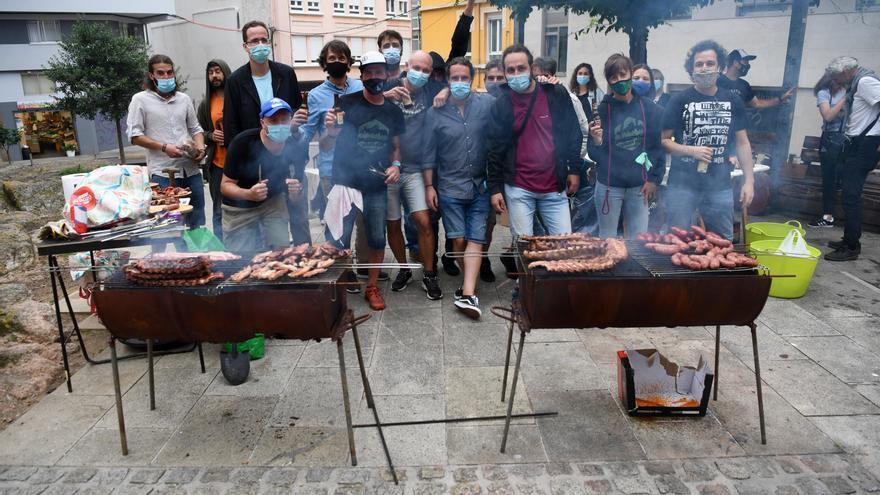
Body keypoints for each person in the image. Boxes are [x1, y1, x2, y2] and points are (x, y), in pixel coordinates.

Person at [322, 51, 404, 310]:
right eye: (368, 72)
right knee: (337, 238)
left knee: (377, 238)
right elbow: (326, 144)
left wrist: (396, 166)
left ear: (387, 74)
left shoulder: (393, 111)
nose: (374, 77)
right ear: (362, 75)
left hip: (376, 185)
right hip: (345, 181)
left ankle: (371, 286)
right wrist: (330, 131)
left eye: (379, 72)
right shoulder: (345, 103)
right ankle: (339, 285)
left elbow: (397, 147)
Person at [223, 20, 309, 245]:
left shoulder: (285, 73)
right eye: (254, 41)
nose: (260, 44)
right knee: (257, 230)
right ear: (245, 46)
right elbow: (232, 124)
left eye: (264, 40)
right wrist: (242, 163)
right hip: (253, 160)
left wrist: (293, 128)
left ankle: (304, 262)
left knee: (298, 217)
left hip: (286, 154)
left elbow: (294, 112)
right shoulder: (235, 80)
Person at [661, 40, 755, 240]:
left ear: (719, 67)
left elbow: (742, 143)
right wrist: (691, 150)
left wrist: (749, 181)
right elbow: (664, 141)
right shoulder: (678, 100)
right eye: (699, 64)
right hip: (682, 186)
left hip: (719, 186)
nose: (704, 68)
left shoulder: (732, 100)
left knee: (721, 242)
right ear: (691, 69)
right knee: (678, 241)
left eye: (710, 64)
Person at [487, 44, 582, 238]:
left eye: (521, 68)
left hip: (554, 187)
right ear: (505, 73)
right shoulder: (502, 104)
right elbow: (495, 149)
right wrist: (495, 188)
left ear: (531, 68)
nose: (516, 74)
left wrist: (574, 170)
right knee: (525, 249)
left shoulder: (555, 94)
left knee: (564, 245)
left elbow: (573, 133)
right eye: (510, 70)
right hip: (518, 188)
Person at [424, 57, 495, 318]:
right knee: (458, 238)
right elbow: (428, 153)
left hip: (480, 186)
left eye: (465, 78)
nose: (460, 83)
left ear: (472, 79)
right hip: (450, 186)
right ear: (447, 80)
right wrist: (430, 186)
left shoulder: (486, 103)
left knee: (476, 238)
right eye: (455, 78)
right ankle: (469, 288)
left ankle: (467, 293)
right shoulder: (436, 111)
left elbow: (512, 104)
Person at [382, 50, 442, 299]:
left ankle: (429, 273)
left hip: (415, 169)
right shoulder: (388, 87)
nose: (420, 73)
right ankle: (404, 268)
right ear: (407, 66)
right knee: (393, 224)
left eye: (426, 70)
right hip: (387, 170)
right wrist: (383, 95)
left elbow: (453, 82)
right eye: (416, 68)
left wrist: (446, 91)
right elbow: (356, 103)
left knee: (423, 221)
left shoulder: (430, 93)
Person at [588, 55, 664, 239]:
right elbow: (595, 155)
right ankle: (609, 268)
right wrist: (596, 140)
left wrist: (653, 179)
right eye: (613, 77)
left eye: (623, 74)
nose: (619, 80)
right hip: (608, 186)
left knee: (639, 239)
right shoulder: (602, 110)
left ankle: (636, 268)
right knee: (607, 238)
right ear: (609, 81)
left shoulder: (650, 109)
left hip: (640, 185)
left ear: (630, 73)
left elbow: (657, 147)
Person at [127, 54, 206, 229]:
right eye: (161, 73)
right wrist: (164, 147)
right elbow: (134, 135)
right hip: (163, 174)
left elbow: (196, 129)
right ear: (151, 76)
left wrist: (200, 149)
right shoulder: (140, 100)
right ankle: (173, 257)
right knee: (168, 226)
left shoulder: (183, 99)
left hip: (191, 171)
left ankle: (198, 256)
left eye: (169, 73)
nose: (166, 77)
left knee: (197, 222)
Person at [220, 98, 309, 251]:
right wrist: (248, 194)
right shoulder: (242, 143)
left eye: (284, 120)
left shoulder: (294, 147)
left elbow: (296, 194)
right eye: (273, 120)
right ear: (262, 123)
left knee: (282, 252)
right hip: (240, 205)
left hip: (273, 202)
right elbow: (225, 185)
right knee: (240, 258)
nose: (280, 125)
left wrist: (295, 193)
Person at [823, 56, 880, 262]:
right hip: (856, 143)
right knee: (849, 194)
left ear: (847, 71)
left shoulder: (865, 82)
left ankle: (851, 246)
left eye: (838, 76)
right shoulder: (858, 82)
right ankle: (849, 239)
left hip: (865, 144)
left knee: (850, 195)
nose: (837, 80)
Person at [299, 40, 364, 217]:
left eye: (342, 58)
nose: (337, 61)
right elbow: (307, 133)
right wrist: (293, 130)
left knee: (364, 227)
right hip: (332, 169)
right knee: (337, 229)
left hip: (361, 166)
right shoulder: (315, 95)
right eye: (332, 58)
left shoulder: (360, 87)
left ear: (349, 62)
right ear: (324, 64)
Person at [533, 57, 594, 235]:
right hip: (533, 175)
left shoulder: (565, 96)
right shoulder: (530, 96)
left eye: (541, 76)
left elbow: (579, 132)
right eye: (534, 77)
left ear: (550, 75)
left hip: (559, 171)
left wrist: (573, 164)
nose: (537, 80)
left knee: (558, 229)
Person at [197, 59, 232, 237]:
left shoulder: (237, 97)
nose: (215, 76)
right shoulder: (205, 104)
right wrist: (210, 135)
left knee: (243, 208)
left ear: (225, 72)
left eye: (218, 71)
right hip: (217, 165)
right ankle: (221, 252)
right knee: (218, 211)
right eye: (211, 72)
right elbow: (197, 132)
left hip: (238, 164)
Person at [809, 71, 847, 229]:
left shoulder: (848, 90)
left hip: (848, 138)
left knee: (843, 178)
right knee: (829, 179)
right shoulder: (824, 94)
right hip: (831, 139)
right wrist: (846, 99)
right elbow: (828, 116)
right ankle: (827, 217)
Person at [719, 49, 794, 109]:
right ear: (735, 63)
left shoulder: (744, 85)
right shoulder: (717, 81)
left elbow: (757, 104)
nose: (748, 65)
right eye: (745, 61)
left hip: (737, 127)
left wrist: (781, 98)